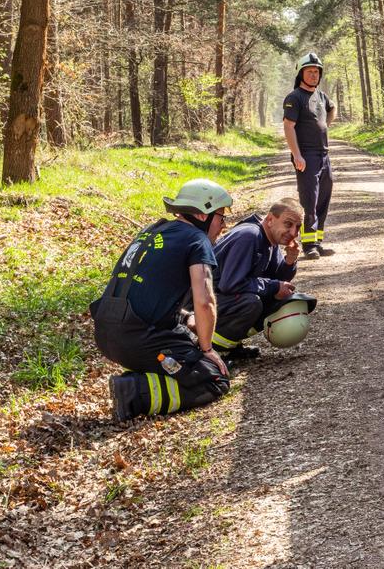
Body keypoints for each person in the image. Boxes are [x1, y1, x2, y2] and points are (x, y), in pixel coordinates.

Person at [93, 178, 233, 422]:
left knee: (190, 348)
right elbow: (205, 301)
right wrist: (207, 349)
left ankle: (145, 377)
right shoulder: (196, 240)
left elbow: (147, 288)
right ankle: (135, 392)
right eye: (221, 217)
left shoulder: (151, 231)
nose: (223, 225)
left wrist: (183, 318)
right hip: (139, 338)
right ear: (203, 215)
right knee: (215, 379)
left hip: (106, 333)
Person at [211, 198, 303, 361]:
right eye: (288, 224)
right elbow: (230, 284)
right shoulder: (249, 236)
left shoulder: (270, 241)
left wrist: (290, 261)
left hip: (221, 299)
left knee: (279, 299)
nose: (294, 233)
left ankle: (230, 345)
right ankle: (214, 350)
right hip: (197, 304)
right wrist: (274, 287)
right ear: (270, 219)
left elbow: (277, 280)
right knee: (251, 302)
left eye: (298, 227)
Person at [283, 51, 335, 259]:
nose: (314, 75)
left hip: (324, 155)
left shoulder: (321, 96)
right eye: (310, 71)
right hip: (307, 156)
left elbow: (332, 108)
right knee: (309, 202)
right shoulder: (294, 98)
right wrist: (297, 155)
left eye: (316, 72)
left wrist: (325, 125)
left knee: (323, 199)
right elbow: (288, 127)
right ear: (301, 73)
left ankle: (318, 241)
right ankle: (308, 245)